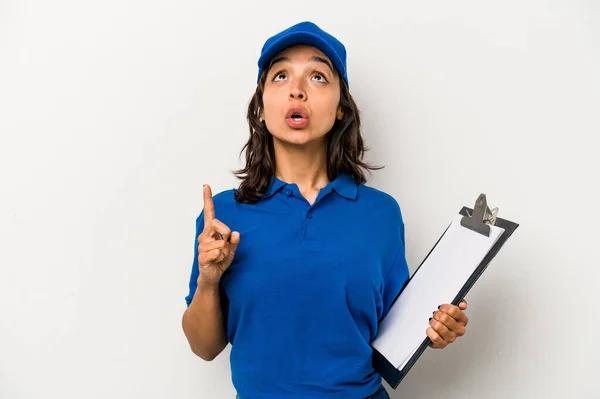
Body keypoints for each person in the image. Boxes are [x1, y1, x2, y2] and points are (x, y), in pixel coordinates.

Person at [181, 21, 469, 399]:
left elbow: (397, 332)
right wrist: (208, 280)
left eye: (318, 76)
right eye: (281, 76)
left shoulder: (380, 214)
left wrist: (437, 329)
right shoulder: (223, 213)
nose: (297, 90)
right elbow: (205, 348)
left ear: (339, 109)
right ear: (262, 108)